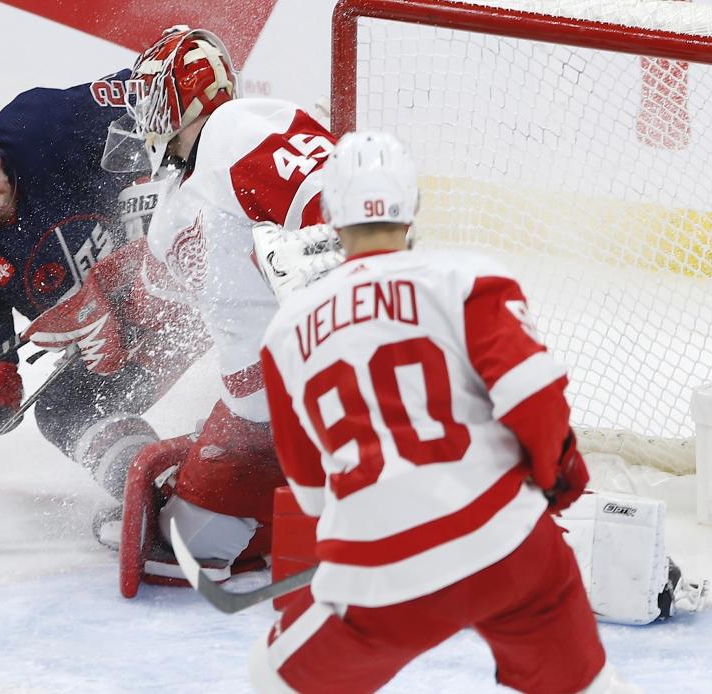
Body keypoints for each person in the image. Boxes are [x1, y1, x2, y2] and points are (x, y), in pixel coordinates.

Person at [251, 131, 637, 693]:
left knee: (272, 680)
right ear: (411, 207)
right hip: (505, 547)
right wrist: (557, 474)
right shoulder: (467, 278)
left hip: (381, 580)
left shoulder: (283, 332)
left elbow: (312, 491)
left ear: (331, 215)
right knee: (585, 685)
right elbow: (535, 400)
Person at [91, 25, 347, 590]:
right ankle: (302, 511)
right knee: (181, 548)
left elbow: (332, 199)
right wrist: (109, 300)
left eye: (154, 99)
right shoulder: (178, 202)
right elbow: (172, 296)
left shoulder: (235, 128)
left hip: (318, 374)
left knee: (176, 549)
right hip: (259, 408)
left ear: (190, 96)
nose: (144, 118)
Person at [0, 75, 209, 510]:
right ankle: (161, 490)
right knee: (61, 411)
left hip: (193, 270)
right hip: (121, 344)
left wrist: (148, 205)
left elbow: (158, 85)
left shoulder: (45, 121)